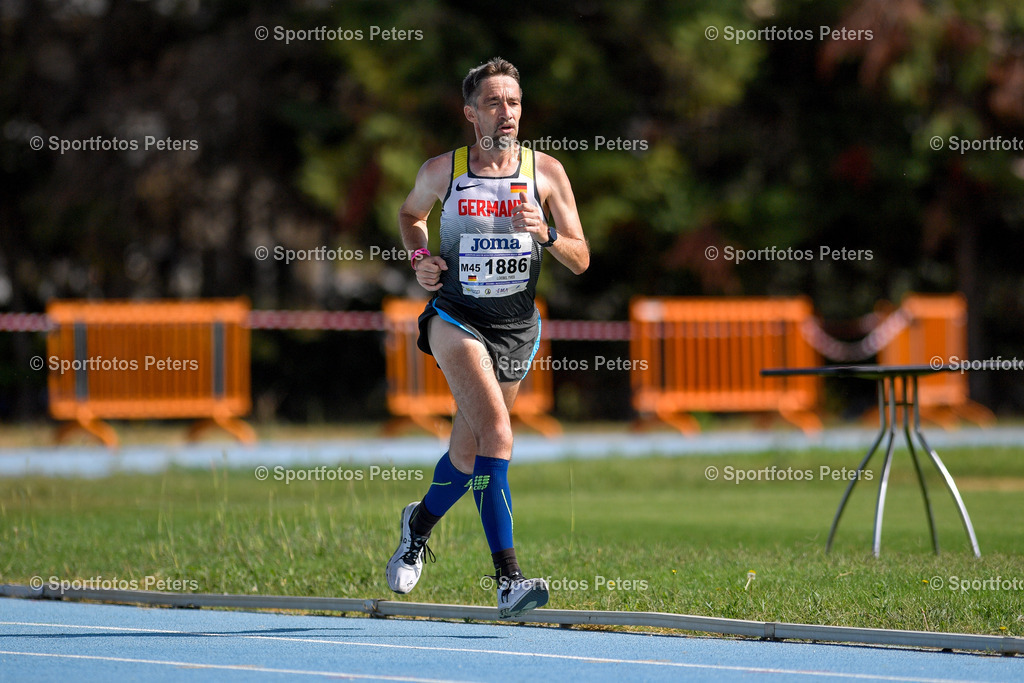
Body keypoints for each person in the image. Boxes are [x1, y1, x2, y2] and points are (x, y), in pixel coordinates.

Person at [386, 57, 589, 618]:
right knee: (498, 435)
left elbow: (581, 258)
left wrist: (544, 233)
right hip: (455, 317)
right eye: (495, 102)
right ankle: (509, 581)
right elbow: (410, 215)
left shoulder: (544, 171)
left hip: (518, 327)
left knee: (468, 450)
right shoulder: (444, 170)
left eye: (515, 102)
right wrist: (421, 257)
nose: (507, 113)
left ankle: (418, 524)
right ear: (471, 113)